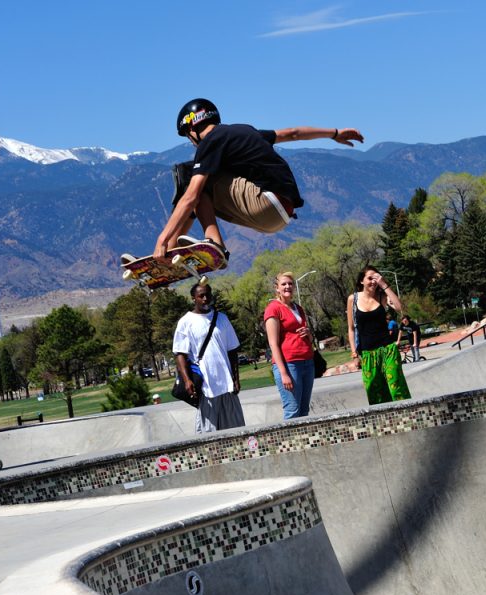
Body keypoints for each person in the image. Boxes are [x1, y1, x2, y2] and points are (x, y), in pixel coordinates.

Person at [155, 99, 364, 261]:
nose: (192, 143)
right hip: (281, 214)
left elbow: (191, 197)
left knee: (189, 177)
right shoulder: (245, 131)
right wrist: (334, 133)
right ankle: (173, 253)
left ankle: (200, 244)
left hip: (266, 203)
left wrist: (162, 239)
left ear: (192, 128)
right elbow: (293, 134)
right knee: (201, 184)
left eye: (187, 136)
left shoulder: (211, 140)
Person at [172, 282, 245, 433]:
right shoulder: (185, 322)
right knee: (208, 434)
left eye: (208, 295)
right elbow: (180, 354)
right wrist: (187, 380)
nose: (205, 298)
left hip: (227, 386)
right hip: (206, 387)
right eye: (201, 296)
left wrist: (236, 378)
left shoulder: (222, 319)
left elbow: (232, 351)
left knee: (236, 431)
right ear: (193, 298)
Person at [347, 265, 411, 405]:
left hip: (388, 350)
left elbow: (399, 307)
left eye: (376, 278)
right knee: (375, 394)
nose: (373, 282)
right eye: (370, 278)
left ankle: (406, 414)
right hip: (368, 354)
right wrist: (354, 354)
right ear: (361, 281)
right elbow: (351, 329)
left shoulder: (382, 296)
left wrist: (384, 284)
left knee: (396, 388)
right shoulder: (353, 299)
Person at [264, 272, 315, 419]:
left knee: (304, 410)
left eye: (290, 284)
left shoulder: (298, 308)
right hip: (289, 365)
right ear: (277, 288)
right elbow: (273, 343)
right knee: (293, 410)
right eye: (284, 284)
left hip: (307, 362)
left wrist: (308, 333)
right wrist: (283, 373)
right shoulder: (273, 309)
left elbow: (309, 338)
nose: (288, 286)